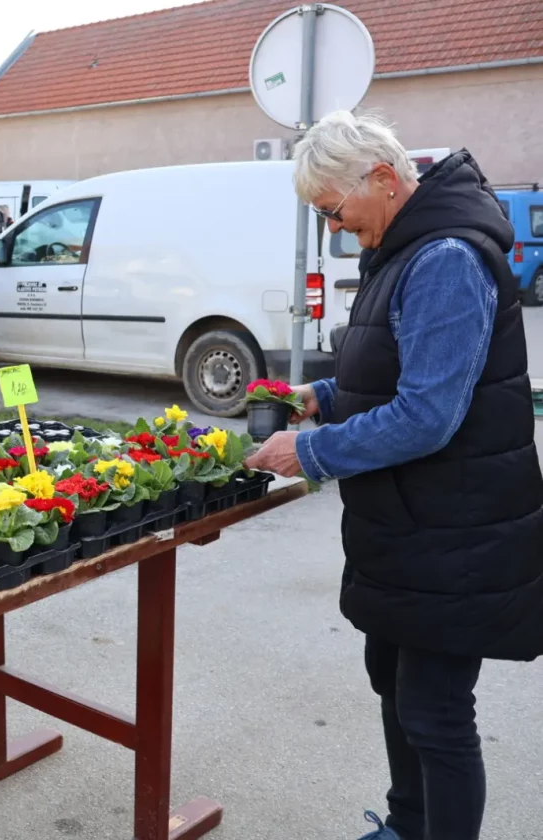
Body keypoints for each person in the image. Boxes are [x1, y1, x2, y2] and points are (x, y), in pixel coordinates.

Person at [246, 111, 543, 840]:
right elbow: (401, 379)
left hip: (457, 534)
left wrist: (307, 454)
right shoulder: (405, 249)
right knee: (395, 689)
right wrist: (321, 399)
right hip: (413, 531)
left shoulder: (444, 257)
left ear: (382, 179)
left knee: (436, 717)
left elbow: (427, 416)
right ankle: (407, 827)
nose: (338, 230)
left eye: (334, 212)